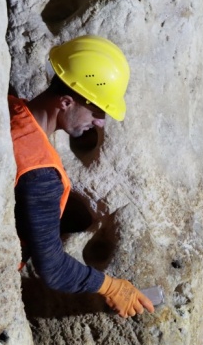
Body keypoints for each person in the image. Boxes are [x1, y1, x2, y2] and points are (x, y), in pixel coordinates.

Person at [9, 35, 154, 319]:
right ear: (65, 102)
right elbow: (52, 268)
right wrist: (111, 287)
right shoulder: (40, 173)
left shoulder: (11, 108)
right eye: (97, 110)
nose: (100, 121)